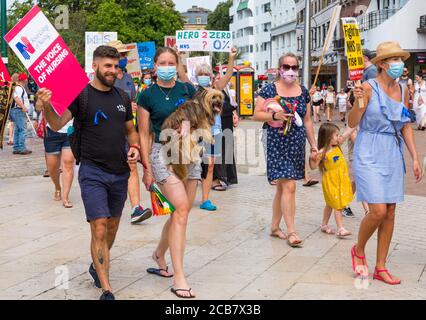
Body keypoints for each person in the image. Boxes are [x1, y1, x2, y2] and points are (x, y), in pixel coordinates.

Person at [39, 45, 141, 300]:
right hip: (92, 171)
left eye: (116, 66)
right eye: (107, 65)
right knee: (98, 227)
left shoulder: (122, 97)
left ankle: (97, 265)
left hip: (119, 173)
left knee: (112, 228)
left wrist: (136, 146)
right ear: (94, 66)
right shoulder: (81, 95)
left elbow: (130, 130)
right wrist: (46, 106)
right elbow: (57, 123)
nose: (112, 70)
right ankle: (106, 288)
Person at [349, 41, 423, 284]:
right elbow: (352, 122)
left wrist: (414, 158)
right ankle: (359, 250)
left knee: (390, 211)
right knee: (378, 210)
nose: (399, 64)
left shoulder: (402, 89)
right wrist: (358, 101)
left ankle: (381, 266)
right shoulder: (367, 87)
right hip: (368, 149)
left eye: (400, 59)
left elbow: (405, 125)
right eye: (393, 60)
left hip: (392, 150)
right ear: (381, 64)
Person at [138, 47, 198, 298]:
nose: (166, 65)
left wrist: (188, 123)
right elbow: (143, 134)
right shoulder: (146, 95)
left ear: (177, 64)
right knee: (181, 209)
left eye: (171, 62)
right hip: (162, 153)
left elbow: (198, 117)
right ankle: (180, 277)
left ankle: (159, 254)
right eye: (162, 62)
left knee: (179, 213)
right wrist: (147, 169)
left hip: (189, 152)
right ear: (154, 65)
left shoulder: (187, 89)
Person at [253, 53, 317, 247]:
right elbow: (256, 115)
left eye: (294, 67)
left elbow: (307, 121)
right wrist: (275, 114)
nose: (290, 70)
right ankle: (292, 231)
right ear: (279, 68)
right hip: (276, 142)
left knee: (283, 187)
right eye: (286, 66)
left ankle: (274, 227)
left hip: (296, 143)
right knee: (289, 185)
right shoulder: (269, 90)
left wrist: (313, 145)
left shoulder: (303, 91)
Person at [108, 40, 152, 224]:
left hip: (126, 129)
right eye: (121, 55)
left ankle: (136, 208)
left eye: (126, 55)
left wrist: (132, 107)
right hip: (108, 131)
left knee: (132, 164)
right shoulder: (105, 78)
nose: (125, 59)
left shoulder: (127, 78)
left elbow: (131, 102)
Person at [309, 123, 354, 238]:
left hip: (340, 180)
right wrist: (311, 158)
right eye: (336, 135)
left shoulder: (337, 145)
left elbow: (348, 132)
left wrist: (355, 124)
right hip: (331, 182)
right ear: (328, 137)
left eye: (338, 135)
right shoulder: (322, 152)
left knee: (330, 204)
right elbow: (313, 167)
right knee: (337, 205)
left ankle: (324, 225)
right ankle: (341, 228)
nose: (338, 137)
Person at [35, 98, 75, 208]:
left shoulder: (76, 89)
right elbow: (38, 107)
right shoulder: (49, 89)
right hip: (52, 132)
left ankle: (66, 197)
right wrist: (43, 99)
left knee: (68, 162)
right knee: (52, 167)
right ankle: (57, 187)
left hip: (70, 131)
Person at [9, 73, 32, 155]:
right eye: (26, 79)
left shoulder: (17, 87)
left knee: (17, 129)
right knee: (22, 129)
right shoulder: (19, 88)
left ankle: (16, 147)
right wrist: (23, 107)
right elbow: (16, 98)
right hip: (19, 110)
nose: (27, 80)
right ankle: (21, 148)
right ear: (24, 80)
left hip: (16, 110)